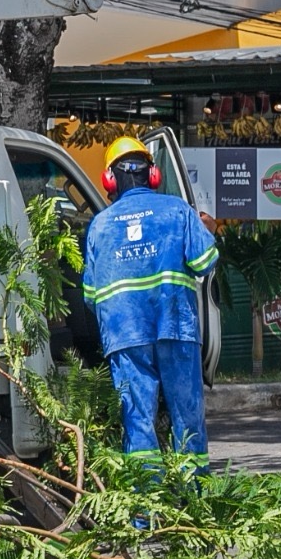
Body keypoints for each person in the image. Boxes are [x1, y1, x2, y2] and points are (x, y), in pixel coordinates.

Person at [80, 137, 217, 462]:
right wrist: (211, 229)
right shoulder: (178, 211)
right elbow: (205, 261)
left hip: (125, 337)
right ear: (152, 175)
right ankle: (194, 502)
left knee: (137, 423)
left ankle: (143, 508)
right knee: (188, 419)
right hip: (176, 330)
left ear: (109, 180)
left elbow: (90, 296)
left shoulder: (100, 226)